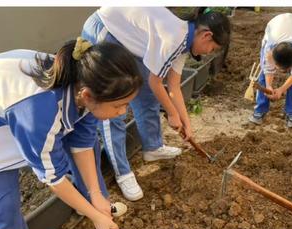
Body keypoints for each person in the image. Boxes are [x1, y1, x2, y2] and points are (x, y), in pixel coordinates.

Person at [0, 39, 142, 229]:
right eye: (118, 105)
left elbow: (82, 144)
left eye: (127, 104)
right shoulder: (41, 113)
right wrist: (96, 217)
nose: (123, 112)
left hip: (12, 111)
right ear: (87, 96)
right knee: (3, 211)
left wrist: (95, 194)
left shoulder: (85, 83)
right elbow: (54, 178)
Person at [81, 7, 231, 200]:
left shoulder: (184, 44)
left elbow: (174, 87)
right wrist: (172, 114)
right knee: (112, 104)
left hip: (129, 37)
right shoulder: (173, 38)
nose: (210, 53)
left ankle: (152, 148)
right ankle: (123, 172)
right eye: (213, 49)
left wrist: (186, 122)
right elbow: (156, 82)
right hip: (107, 30)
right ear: (206, 35)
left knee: (146, 94)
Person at [248, 13, 292, 128]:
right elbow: (268, 69)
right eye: (277, 66)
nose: (278, 70)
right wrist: (268, 86)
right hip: (275, 26)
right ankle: (260, 109)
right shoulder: (269, 49)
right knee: (263, 75)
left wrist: (281, 89)